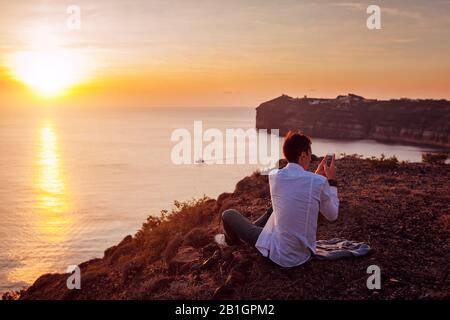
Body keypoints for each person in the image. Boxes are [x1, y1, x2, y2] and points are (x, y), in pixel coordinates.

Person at [217, 130, 339, 267]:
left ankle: (231, 242)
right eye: (310, 155)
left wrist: (319, 178)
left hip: (279, 255)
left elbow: (298, 181)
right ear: (303, 155)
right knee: (272, 210)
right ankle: (243, 234)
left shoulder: (274, 176)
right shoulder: (318, 182)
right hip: (303, 254)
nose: (310, 159)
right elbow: (332, 215)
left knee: (228, 214)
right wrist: (331, 181)